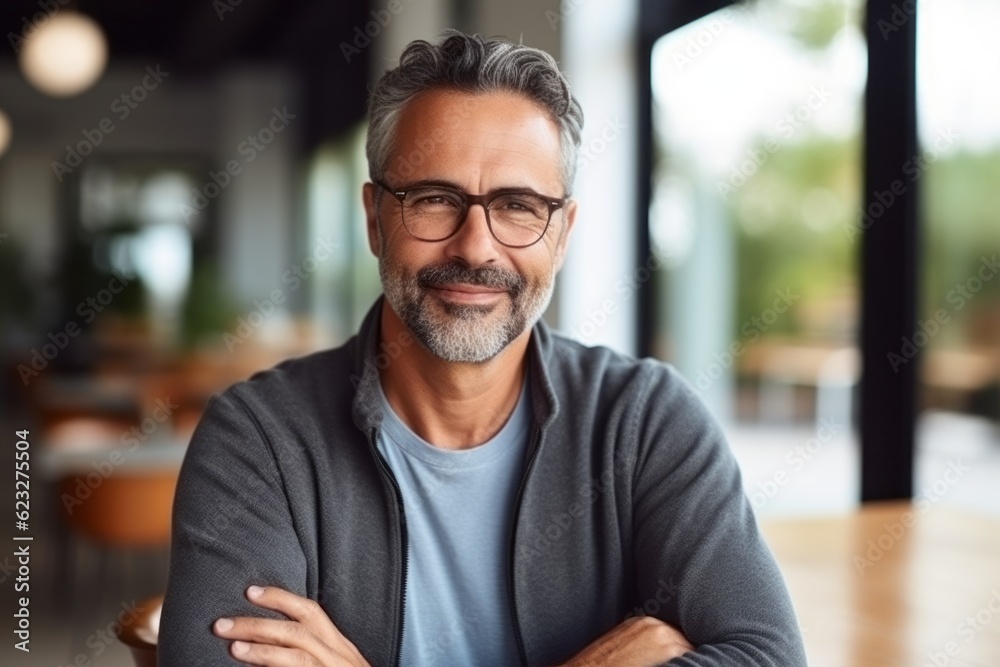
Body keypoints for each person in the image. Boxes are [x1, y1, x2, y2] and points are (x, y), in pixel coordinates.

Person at [159, 30, 807, 666]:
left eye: (518, 205)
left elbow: (767, 655)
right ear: (374, 218)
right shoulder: (258, 439)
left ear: (562, 233)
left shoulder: (644, 421)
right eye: (436, 199)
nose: (475, 246)